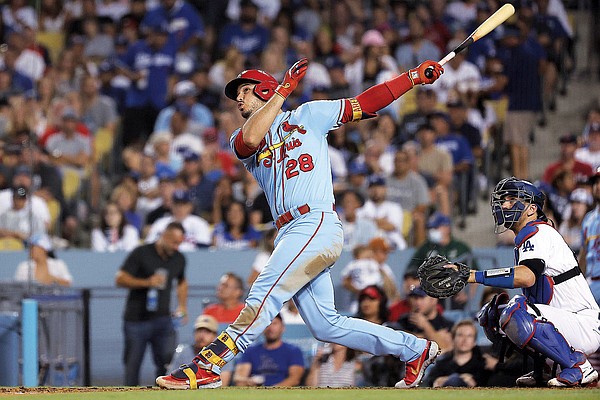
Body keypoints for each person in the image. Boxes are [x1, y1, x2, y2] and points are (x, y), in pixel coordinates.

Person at [156, 56, 445, 390]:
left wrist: (412, 77)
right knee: (326, 326)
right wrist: (281, 92)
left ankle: (209, 363)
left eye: (247, 91)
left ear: (264, 89)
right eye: (237, 94)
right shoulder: (243, 137)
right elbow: (249, 140)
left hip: (315, 221)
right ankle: (415, 350)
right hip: (290, 230)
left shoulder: (309, 114)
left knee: (264, 292)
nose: (239, 99)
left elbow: (365, 102)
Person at [450, 177, 600, 387]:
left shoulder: (538, 232)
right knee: (492, 314)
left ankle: (577, 366)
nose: (504, 205)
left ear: (531, 209)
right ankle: (546, 368)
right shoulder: (528, 237)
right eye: (504, 200)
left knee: (516, 311)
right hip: (567, 322)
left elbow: (527, 276)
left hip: (582, 324)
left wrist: (474, 275)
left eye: (512, 200)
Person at [115, 221, 188, 386]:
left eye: (179, 243)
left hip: (162, 319)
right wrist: (147, 282)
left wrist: (182, 306)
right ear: (163, 236)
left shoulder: (179, 258)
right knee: (132, 366)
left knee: (166, 365)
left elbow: (182, 282)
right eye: (173, 242)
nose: (176, 246)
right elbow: (120, 278)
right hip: (136, 320)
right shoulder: (141, 253)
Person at [232, 314, 305, 387]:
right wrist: (249, 381)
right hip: (255, 393)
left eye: (274, 324)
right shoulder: (251, 351)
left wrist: (273, 390)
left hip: (282, 393)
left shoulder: (293, 351)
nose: (270, 328)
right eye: (267, 325)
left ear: (283, 328)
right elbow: (239, 378)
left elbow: (295, 379)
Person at [168, 315, 233, 387]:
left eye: (207, 332)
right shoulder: (184, 351)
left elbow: (223, 383)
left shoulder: (223, 354)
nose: (202, 335)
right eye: (199, 331)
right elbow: (170, 378)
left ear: (215, 335)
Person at [423, 320, 487, 387]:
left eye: (469, 336)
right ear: (453, 339)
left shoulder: (483, 365)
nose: (464, 340)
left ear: (474, 342)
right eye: (460, 335)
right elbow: (429, 383)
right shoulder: (442, 364)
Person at [580, 168, 600, 305]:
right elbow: (584, 253)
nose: (598, 186)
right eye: (596, 182)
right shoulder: (588, 219)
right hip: (591, 283)